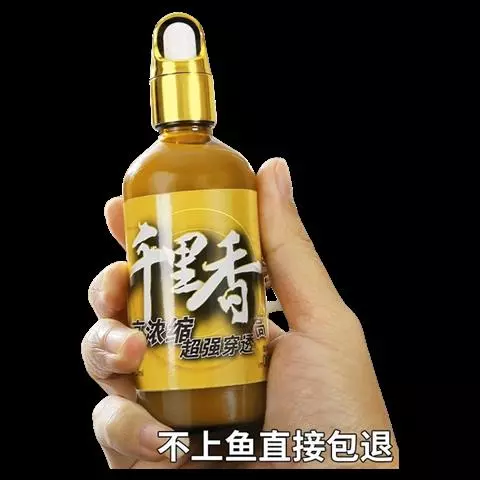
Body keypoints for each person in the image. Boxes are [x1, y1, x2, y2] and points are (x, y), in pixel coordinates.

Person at [83, 157, 399, 469]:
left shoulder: (228, 168)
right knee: (118, 315)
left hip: (272, 416)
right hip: (172, 408)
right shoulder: (149, 173)